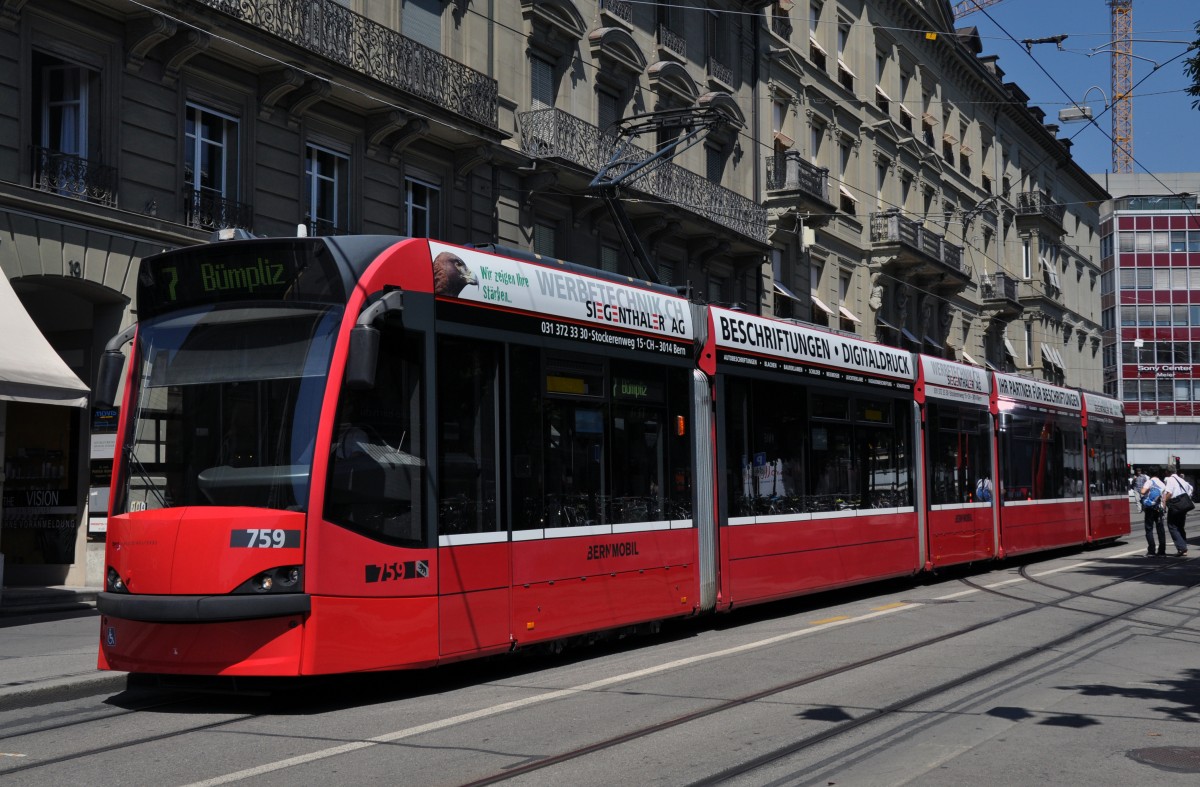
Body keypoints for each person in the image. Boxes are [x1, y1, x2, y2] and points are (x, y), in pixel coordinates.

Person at [1161, 470, 1192, 557]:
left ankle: (1182, 548)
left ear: (1167, 472)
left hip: (1175, 505)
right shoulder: (1181, 479)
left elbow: (1169, 493)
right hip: (1184, 506)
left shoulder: (1170, 479)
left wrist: (1164, 500)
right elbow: (1191, 488)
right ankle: (1183, 547)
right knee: (1180, 527)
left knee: (1172, 526)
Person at [1140, 468, 1167, 557]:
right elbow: (1164, 498)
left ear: (1150, 474)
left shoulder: (1149, 482)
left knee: (1149, 529)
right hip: (1159, 509)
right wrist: (1164, 509)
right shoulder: (1162, 484)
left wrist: (1146, 490)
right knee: (1160, 529)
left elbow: (1142, 492)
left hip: (1150, 508)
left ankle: (1151, 551)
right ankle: (1162, 552)